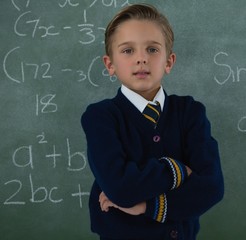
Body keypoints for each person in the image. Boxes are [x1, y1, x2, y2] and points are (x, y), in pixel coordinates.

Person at [81, 3, 224, 240]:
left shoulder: (190, 112)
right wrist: (178, 169)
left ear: (169, 61)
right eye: (128, 51)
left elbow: (211, 187)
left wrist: (148, 206)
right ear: (110, 65)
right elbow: (119, 187)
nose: (141, 59)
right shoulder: (100, 117)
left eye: (152, 49)